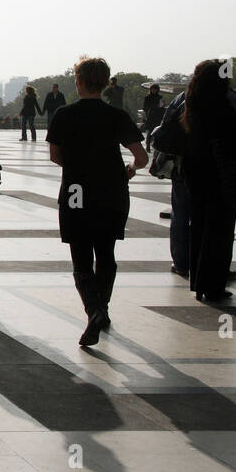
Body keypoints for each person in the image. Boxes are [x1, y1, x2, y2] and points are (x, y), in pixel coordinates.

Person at [46, 57, 147, 346]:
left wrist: (78, 166)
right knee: (106, 254)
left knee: (81, 257)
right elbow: (141, 158)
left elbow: (55, 156)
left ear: (78, 81)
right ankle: (102, 307)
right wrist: (128, 170)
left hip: (77, 191)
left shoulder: (64, 115)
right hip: (112, 192)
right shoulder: (117, 116)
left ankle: (94, 310)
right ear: (104, 83)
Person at [182, 60, 236, 303]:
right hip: (220, 173)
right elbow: (234, 143)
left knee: (199, 225)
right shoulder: (223, 106)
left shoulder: (192, 103)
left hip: (196, 170)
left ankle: (199, 282)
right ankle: (213, 285)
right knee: (220, 230)